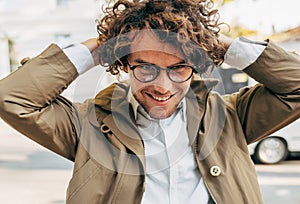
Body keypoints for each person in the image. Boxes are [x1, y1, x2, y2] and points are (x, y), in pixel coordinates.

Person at [0, 0, 299, 203]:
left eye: (178, 67)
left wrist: (213, 44)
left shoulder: (231, 115)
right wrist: (103, 46)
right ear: (126, 63)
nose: (162, 85)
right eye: (145, 67)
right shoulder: (85, 123)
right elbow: (12, 98)